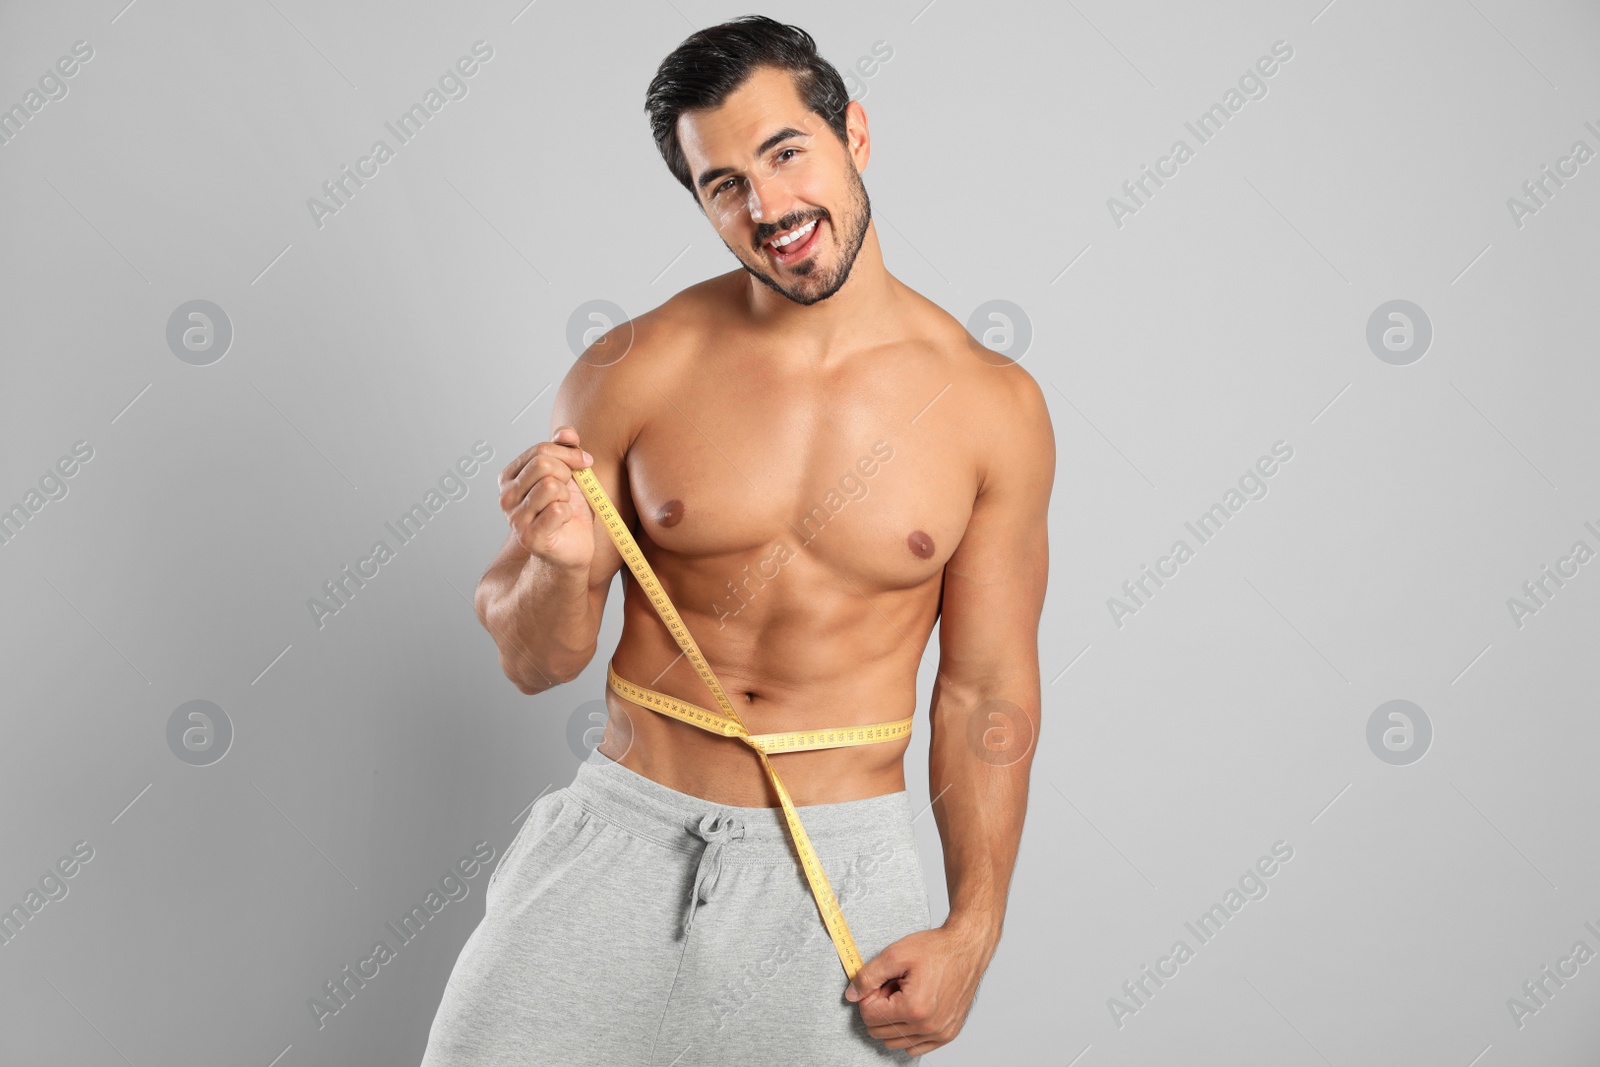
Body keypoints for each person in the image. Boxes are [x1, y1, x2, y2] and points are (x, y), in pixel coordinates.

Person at [420, 14, 1054, 1064]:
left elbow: (985, 692)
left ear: (852, 132)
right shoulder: (634, 367)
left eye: (784, 152)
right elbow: (537, 660)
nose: (767, 209)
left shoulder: (989, 404)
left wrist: (972, 926)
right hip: (619, 837)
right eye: (724, 185)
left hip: (839, 876)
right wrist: (561, 567)